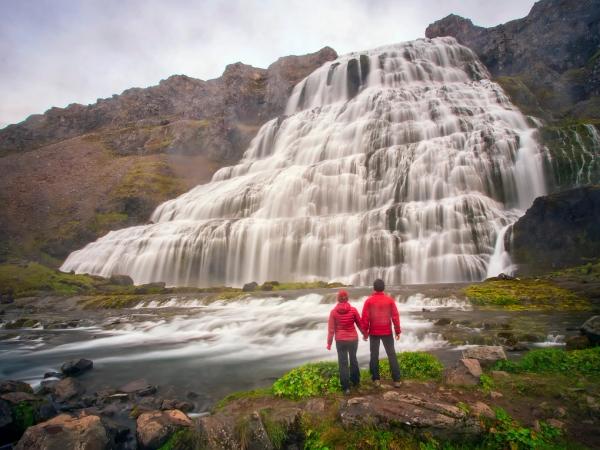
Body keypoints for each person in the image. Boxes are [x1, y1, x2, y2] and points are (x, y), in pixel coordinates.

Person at [361, 278, 402, 387]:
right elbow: (395, 317)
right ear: (383, 288)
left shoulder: (369, 301)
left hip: (374, 332)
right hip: (387, 331)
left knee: (374, 355)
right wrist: (397, 331)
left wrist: (365, 333)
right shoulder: (389, 300)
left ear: (374, 288)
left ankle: (376, 380)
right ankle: (397, 380)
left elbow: (365, 318)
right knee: (391, 355)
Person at [327, 289, 365, 394]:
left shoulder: (333, 312)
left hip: (340, 340)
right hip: (353, 339)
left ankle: (346, 388)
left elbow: (331, 330)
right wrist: (365, 334)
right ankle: (356, 382)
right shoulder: (353, 310)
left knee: (343, 363)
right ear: (347, 298)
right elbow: (360, 324)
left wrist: (329, 343)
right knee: (353, 360)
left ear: (338, 299)